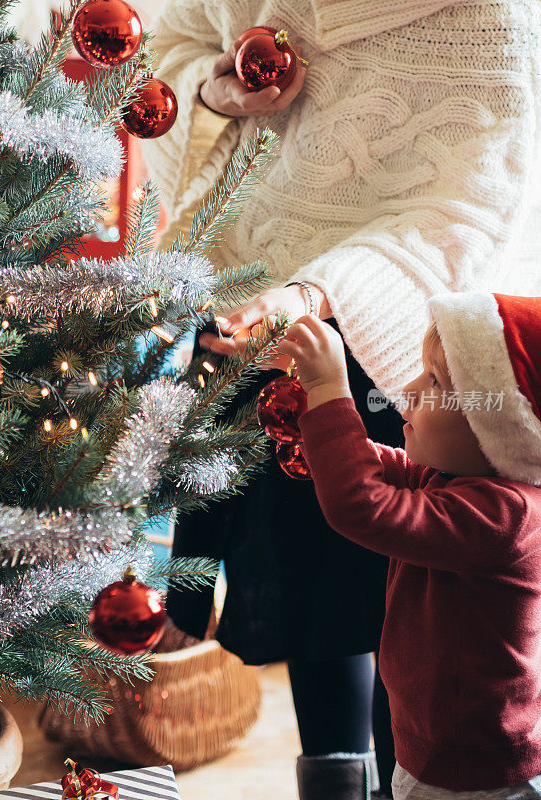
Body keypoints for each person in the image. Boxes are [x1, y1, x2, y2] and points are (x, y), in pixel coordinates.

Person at [139, 1, 541, 797]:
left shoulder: (486, 18)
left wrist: (319, 311)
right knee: (306, 589)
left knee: (405, 604)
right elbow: (174, 43)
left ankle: (398, 773)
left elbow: (465, 207)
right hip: (245, 299)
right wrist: (217, 96)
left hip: (409, 328)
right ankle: (337, 776)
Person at [280, 290, 541, 800]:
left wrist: (329, 386)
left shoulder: (508, 515)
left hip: (482, 770)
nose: (410, 389)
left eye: (436, 382)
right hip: (436, 749)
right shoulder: (456, 479)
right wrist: (311, 428)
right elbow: (377, 466)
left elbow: (365, 505)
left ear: (501, 425)